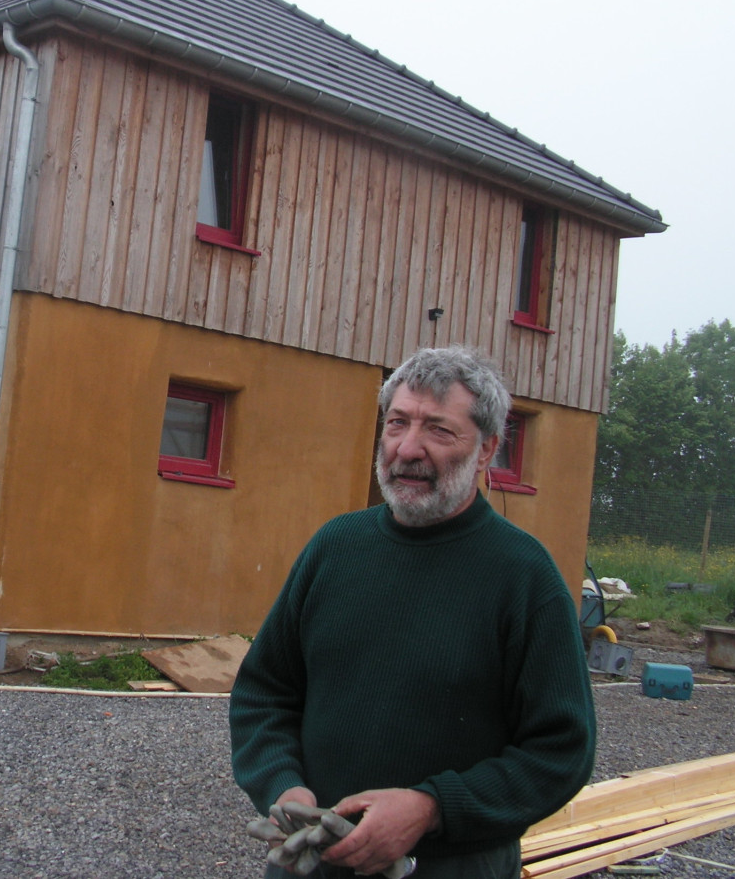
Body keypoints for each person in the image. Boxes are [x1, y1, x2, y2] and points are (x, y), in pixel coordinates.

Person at [230, 346, 595, 878]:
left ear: (487, 449)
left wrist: (432, 808)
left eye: (439, 431)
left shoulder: (523, 577)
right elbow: (265, 693)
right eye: (397, 423)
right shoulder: (335, 548)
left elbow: (561, 753)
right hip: (311, 865)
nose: (407, 449)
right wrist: (282, 785)